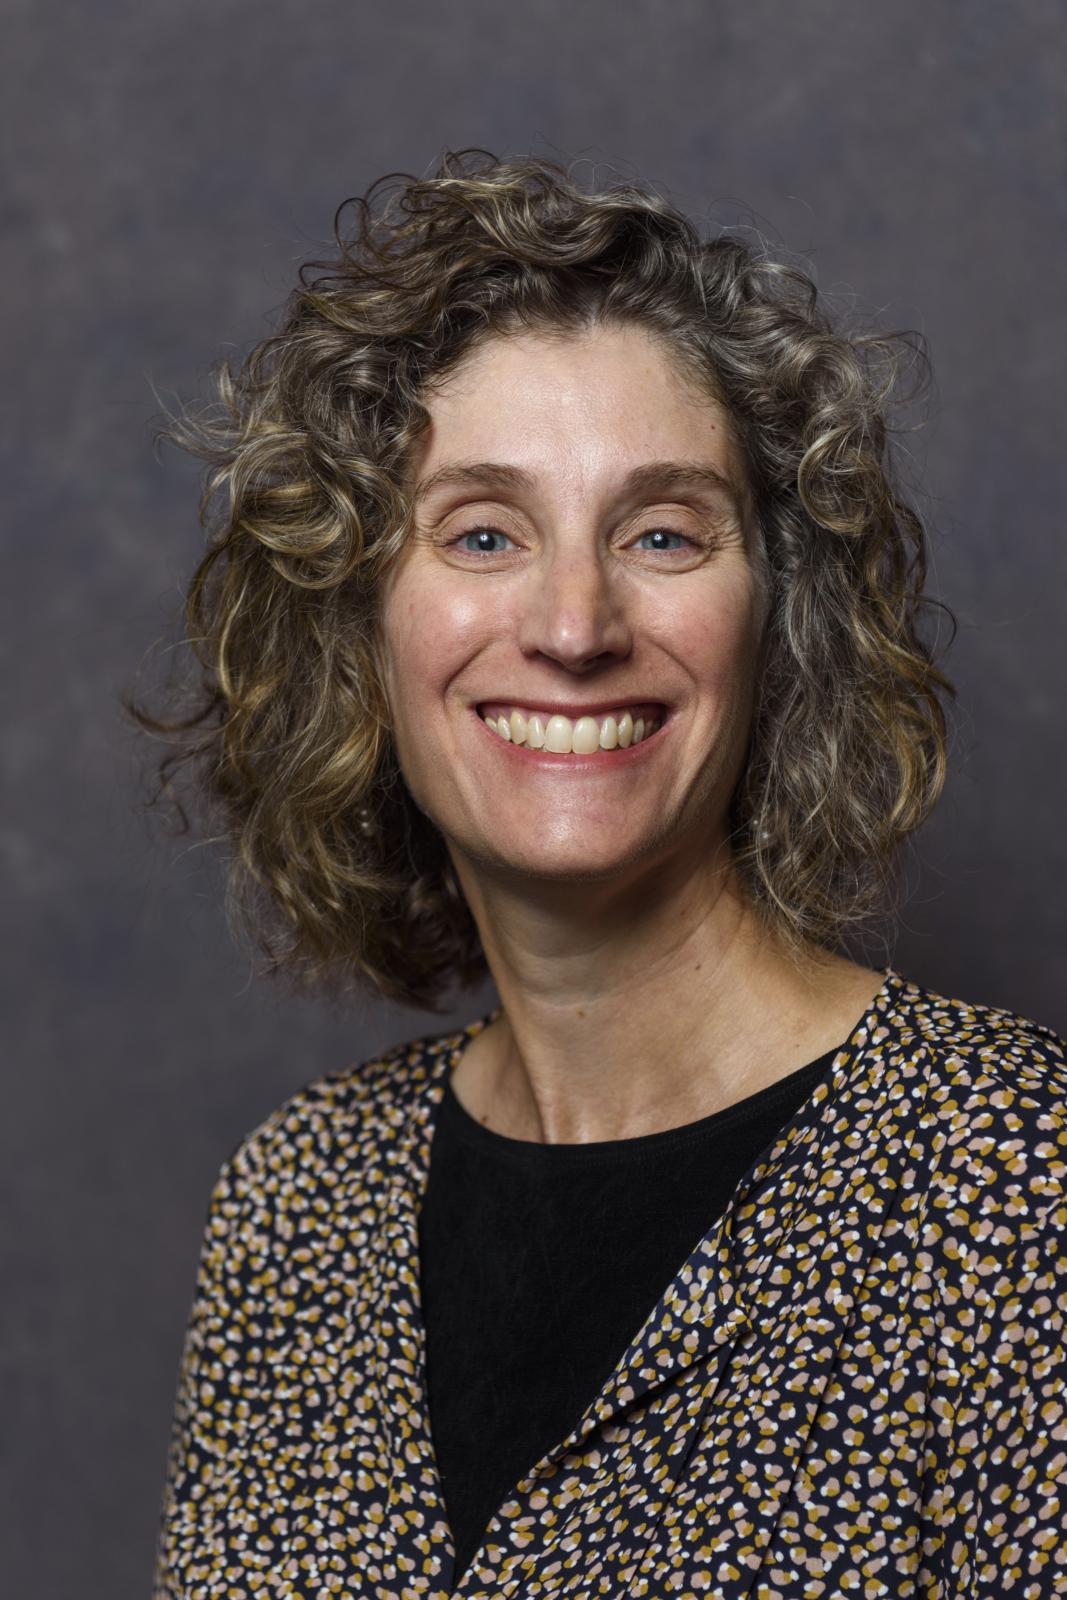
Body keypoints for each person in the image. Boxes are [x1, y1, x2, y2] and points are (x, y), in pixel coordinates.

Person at [132, 150, 1067, 1598]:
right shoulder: (297, 1207)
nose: (574, 624)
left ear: (778, 621)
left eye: (663, 534)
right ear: (360, 624)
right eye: (486, 532)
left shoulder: (1012, 1187)